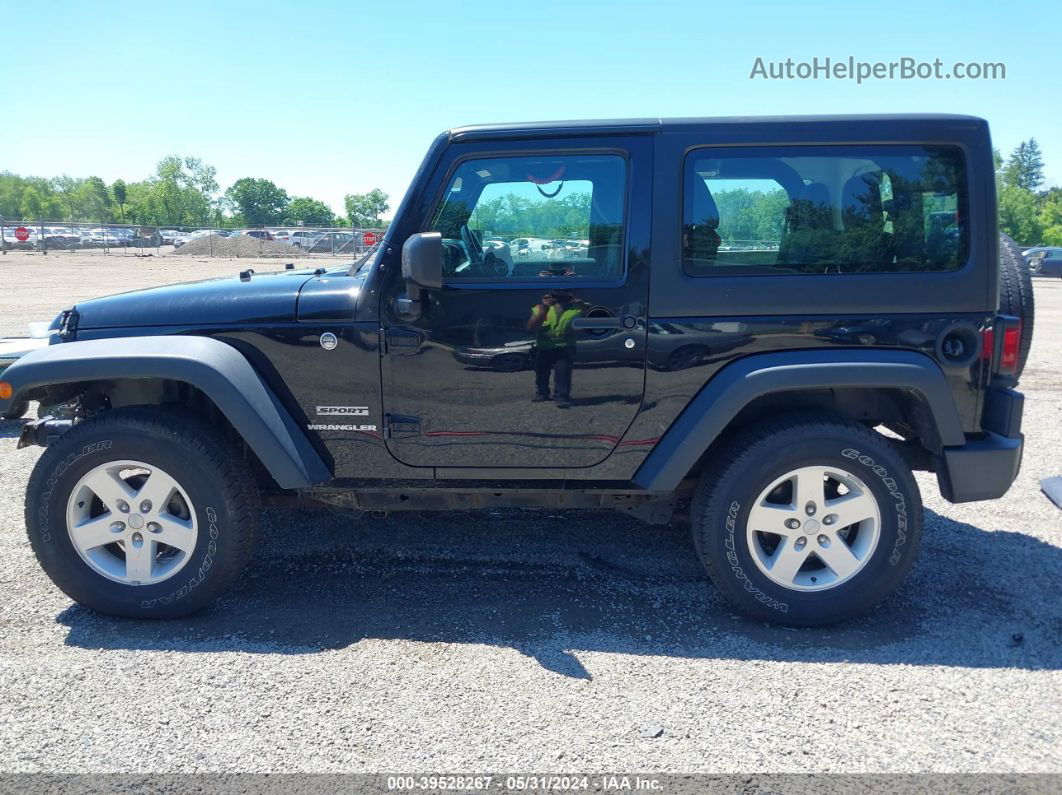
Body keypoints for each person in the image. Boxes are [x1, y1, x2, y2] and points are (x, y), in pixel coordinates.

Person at [527, 290, 585, 408]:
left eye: (564, 296)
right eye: (557, 296)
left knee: (562, 373)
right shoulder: (540, 308)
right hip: (543, 347)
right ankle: (542, 393)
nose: (560, 299)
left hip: (565, 347)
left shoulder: (578, 308)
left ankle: (561, 397)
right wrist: (544, 308)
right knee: (541, 372)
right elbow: (530, 327)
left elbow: (596, 315)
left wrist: (582, 304)